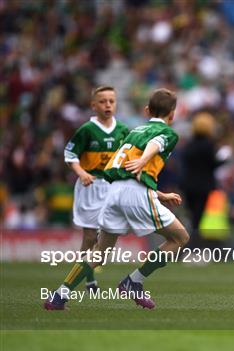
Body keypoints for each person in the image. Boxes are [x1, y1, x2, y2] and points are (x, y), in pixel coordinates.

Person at [44, 88, 189, 310]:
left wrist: (158, 193)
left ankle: (59, 295)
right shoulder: (168, 133)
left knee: (99, 254)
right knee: (180, 238)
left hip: (114, 193)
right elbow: (156, 144)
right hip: (135, 194)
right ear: (172, 114)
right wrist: (143, 161)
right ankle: (134, 281)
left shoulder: (133, 132)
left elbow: (120, 169)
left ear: (147, 110)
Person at [63, 86, 129, 292]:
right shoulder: (86, 130)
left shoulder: (123, 131)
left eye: (111, 100)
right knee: (90, 238)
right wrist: (81, 173)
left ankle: (85, 277)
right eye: (103, 101)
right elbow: (70, 155)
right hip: (91, 186)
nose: (108, 104)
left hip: (113, 186)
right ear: (93, 105)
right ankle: (86, 280)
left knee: (107, 236)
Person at [179, 112, 230, 244]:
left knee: (192, 217)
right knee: (199, 219)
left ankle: (190, 247)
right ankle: (195, 248)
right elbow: (213, 164)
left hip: (188, 186)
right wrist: (225, 157)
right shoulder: (208, 145)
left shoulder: (189, 145)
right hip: (204, 187)